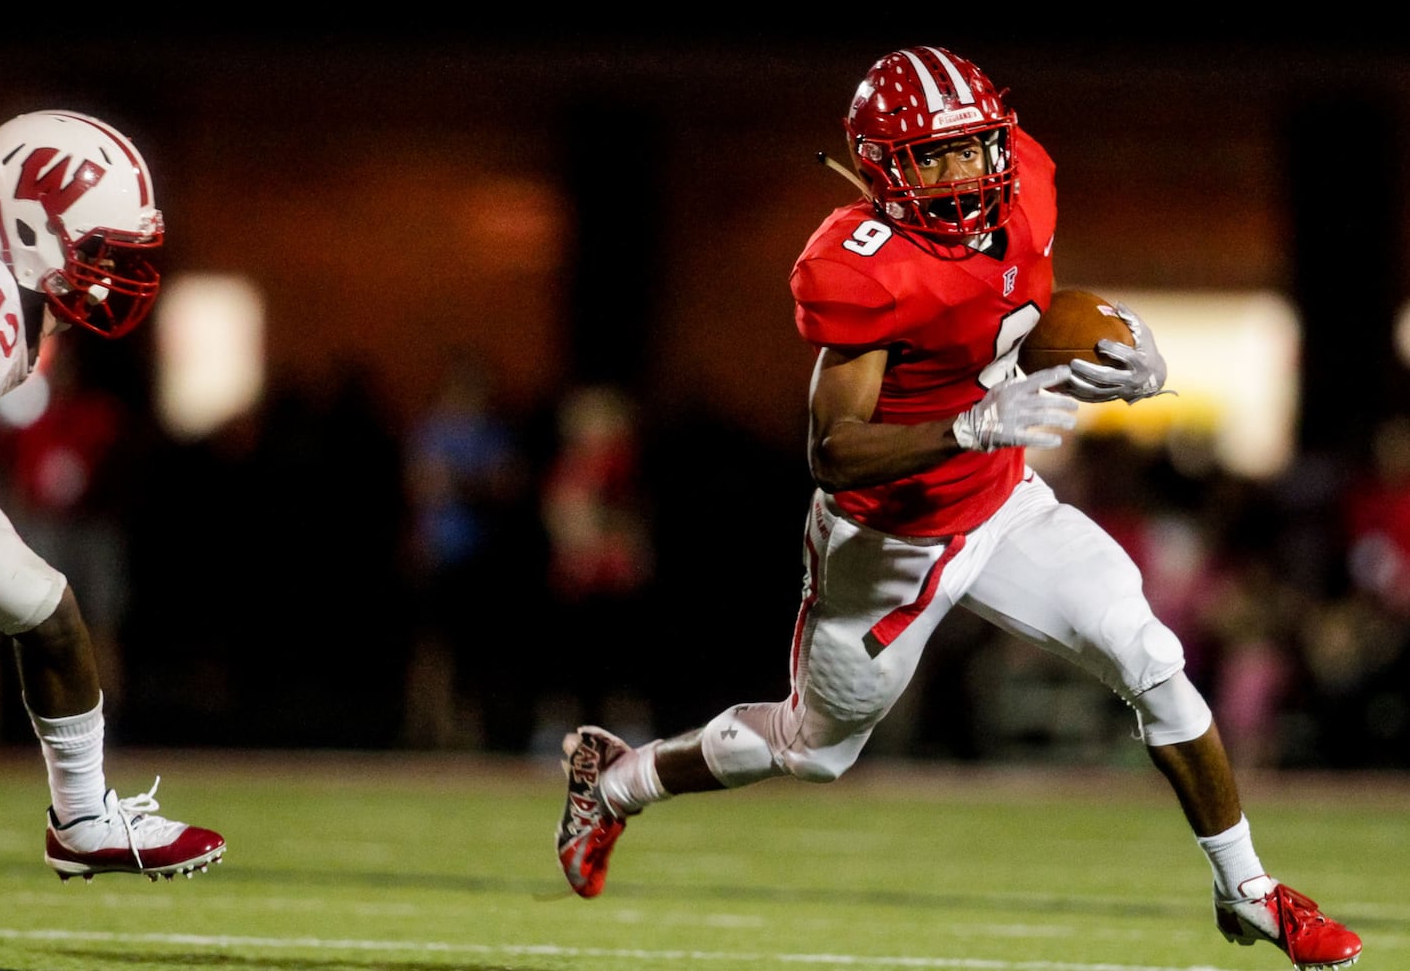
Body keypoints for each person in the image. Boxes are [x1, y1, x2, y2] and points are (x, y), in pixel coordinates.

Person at [555, 47, 1362, 970]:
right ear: (880, 168)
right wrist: (968, 423)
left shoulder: (1029, 180)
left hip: (1003, 506)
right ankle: (614, 782)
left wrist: (1115, 352)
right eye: (933, 158)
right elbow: (831, 451)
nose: (965, 173)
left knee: (1149, 654)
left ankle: (1248, 888)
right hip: (886, 537)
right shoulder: (856, 266)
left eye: (975, 148)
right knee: (814, 749)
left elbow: (1019, 312)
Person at [0, 109, 225, 880]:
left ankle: (83, 820)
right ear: (28, 227)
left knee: (49, 609)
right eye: (98, 250)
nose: (107, 273)